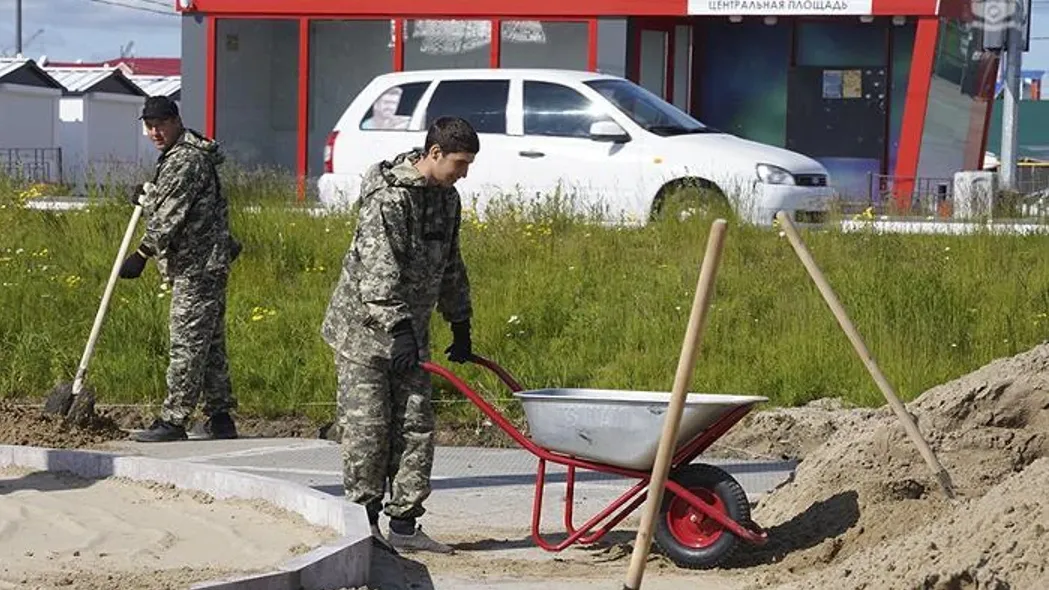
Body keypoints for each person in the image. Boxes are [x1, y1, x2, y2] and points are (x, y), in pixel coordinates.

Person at [320, 116, 478, 554]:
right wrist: (399, 329)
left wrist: (460, 321)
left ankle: (405, 526)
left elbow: (450, 263)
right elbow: (377, 272)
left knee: (415, 427)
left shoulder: (448, 200)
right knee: (368, 432)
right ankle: (363, 526)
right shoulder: (388, 198)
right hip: (365, 336)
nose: (464, 173)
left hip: (412, 334)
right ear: (434, 154)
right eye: (459, 163)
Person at [120, 95, 241, 443]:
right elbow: (171, 198)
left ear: (175, 121)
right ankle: (220, 417)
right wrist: (148, 193)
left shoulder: (186, 160)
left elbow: (171, 217)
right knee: (211, 343)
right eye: (149, 125)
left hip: (198, 266)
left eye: (161, 124)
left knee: (187, 343)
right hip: (206, 262)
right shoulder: (180, 155)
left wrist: (141, 254)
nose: (155, 131)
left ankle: (173, 420)